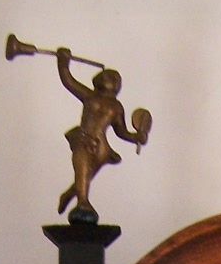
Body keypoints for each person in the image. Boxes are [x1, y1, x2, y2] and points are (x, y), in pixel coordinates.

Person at [55, 52, 150, 221]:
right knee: (82, 168)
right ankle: (82, 202)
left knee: (87, 176)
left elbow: (121, 131)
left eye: (117, 79)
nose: (114, 80)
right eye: (110, 76)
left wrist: (136, 137)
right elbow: (68, 81)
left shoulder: (117, 107)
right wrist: (63, 62)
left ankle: (69, 194)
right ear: (97, 81)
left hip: (101, 145)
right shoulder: (90, 95)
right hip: (83, 138)